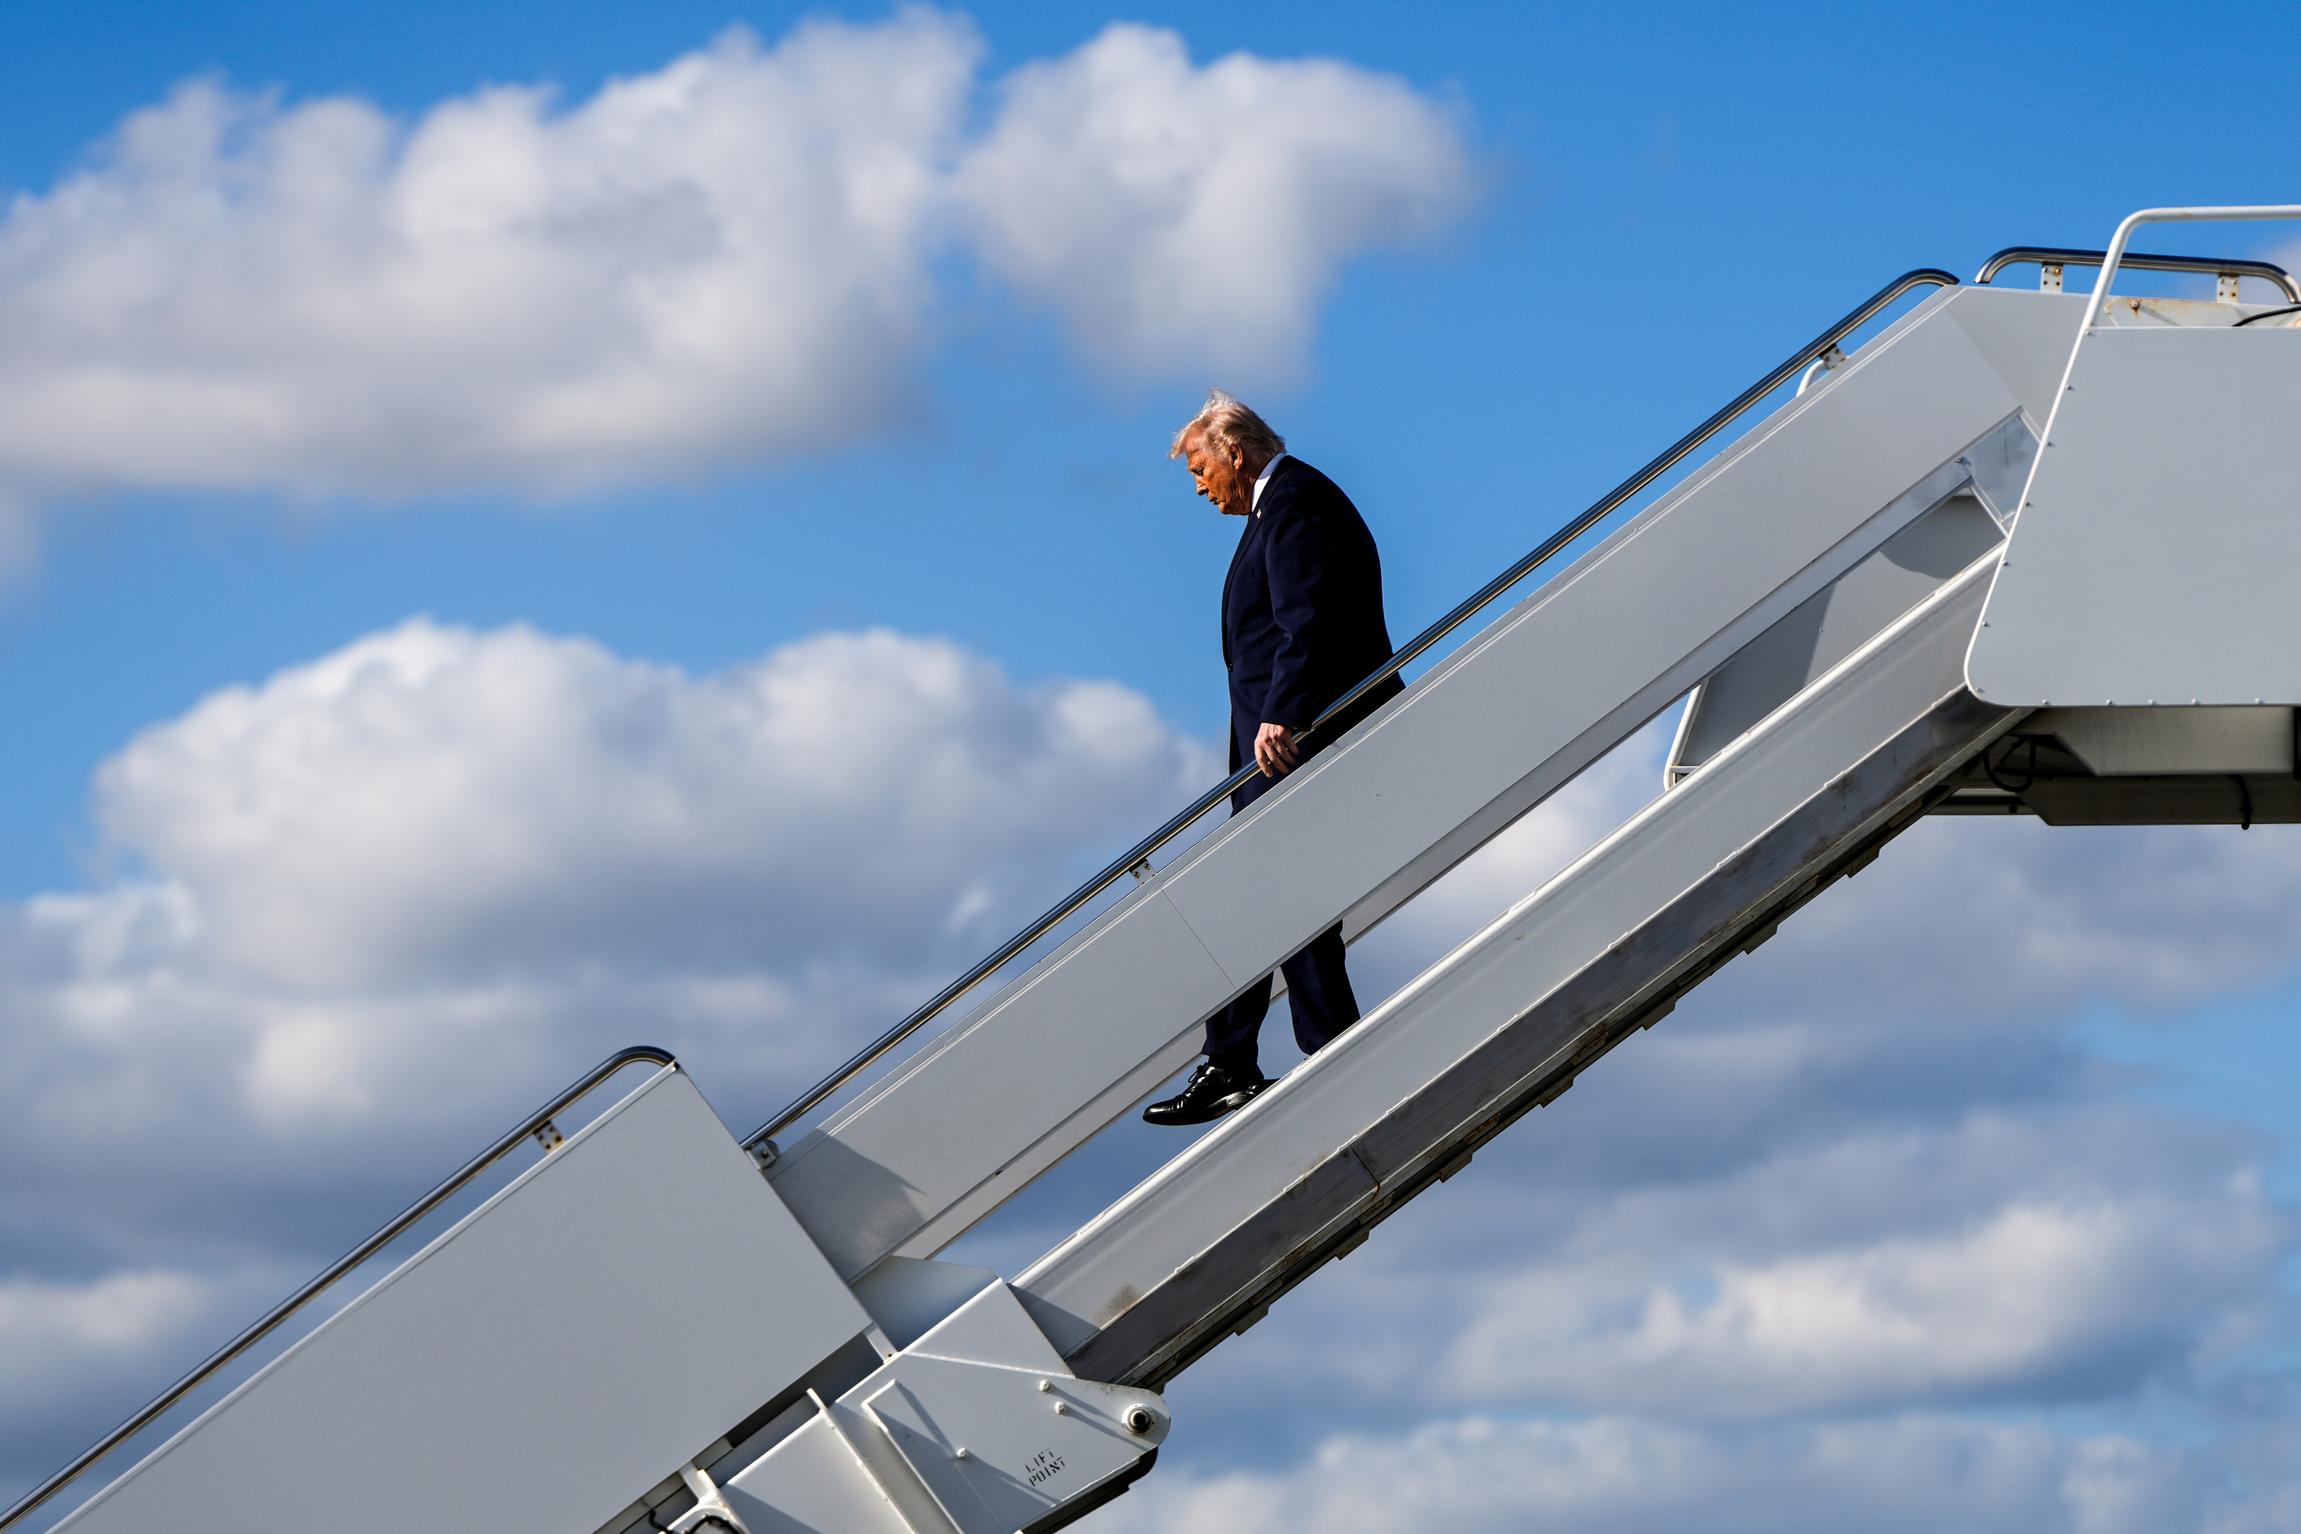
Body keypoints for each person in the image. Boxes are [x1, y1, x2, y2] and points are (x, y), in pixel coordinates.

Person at [1142, 390, 1404, 1128]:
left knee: (1263, 892)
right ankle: (1308, 1051)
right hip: (1273, 739)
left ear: (1235, 452)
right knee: (1281, 897)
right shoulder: (1276, 506)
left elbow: (1307, 613)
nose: (1197, 485)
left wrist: (1284, 711)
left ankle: (1248, 1060)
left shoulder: (1295, 502)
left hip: (1293, 738)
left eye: (1199, 468)